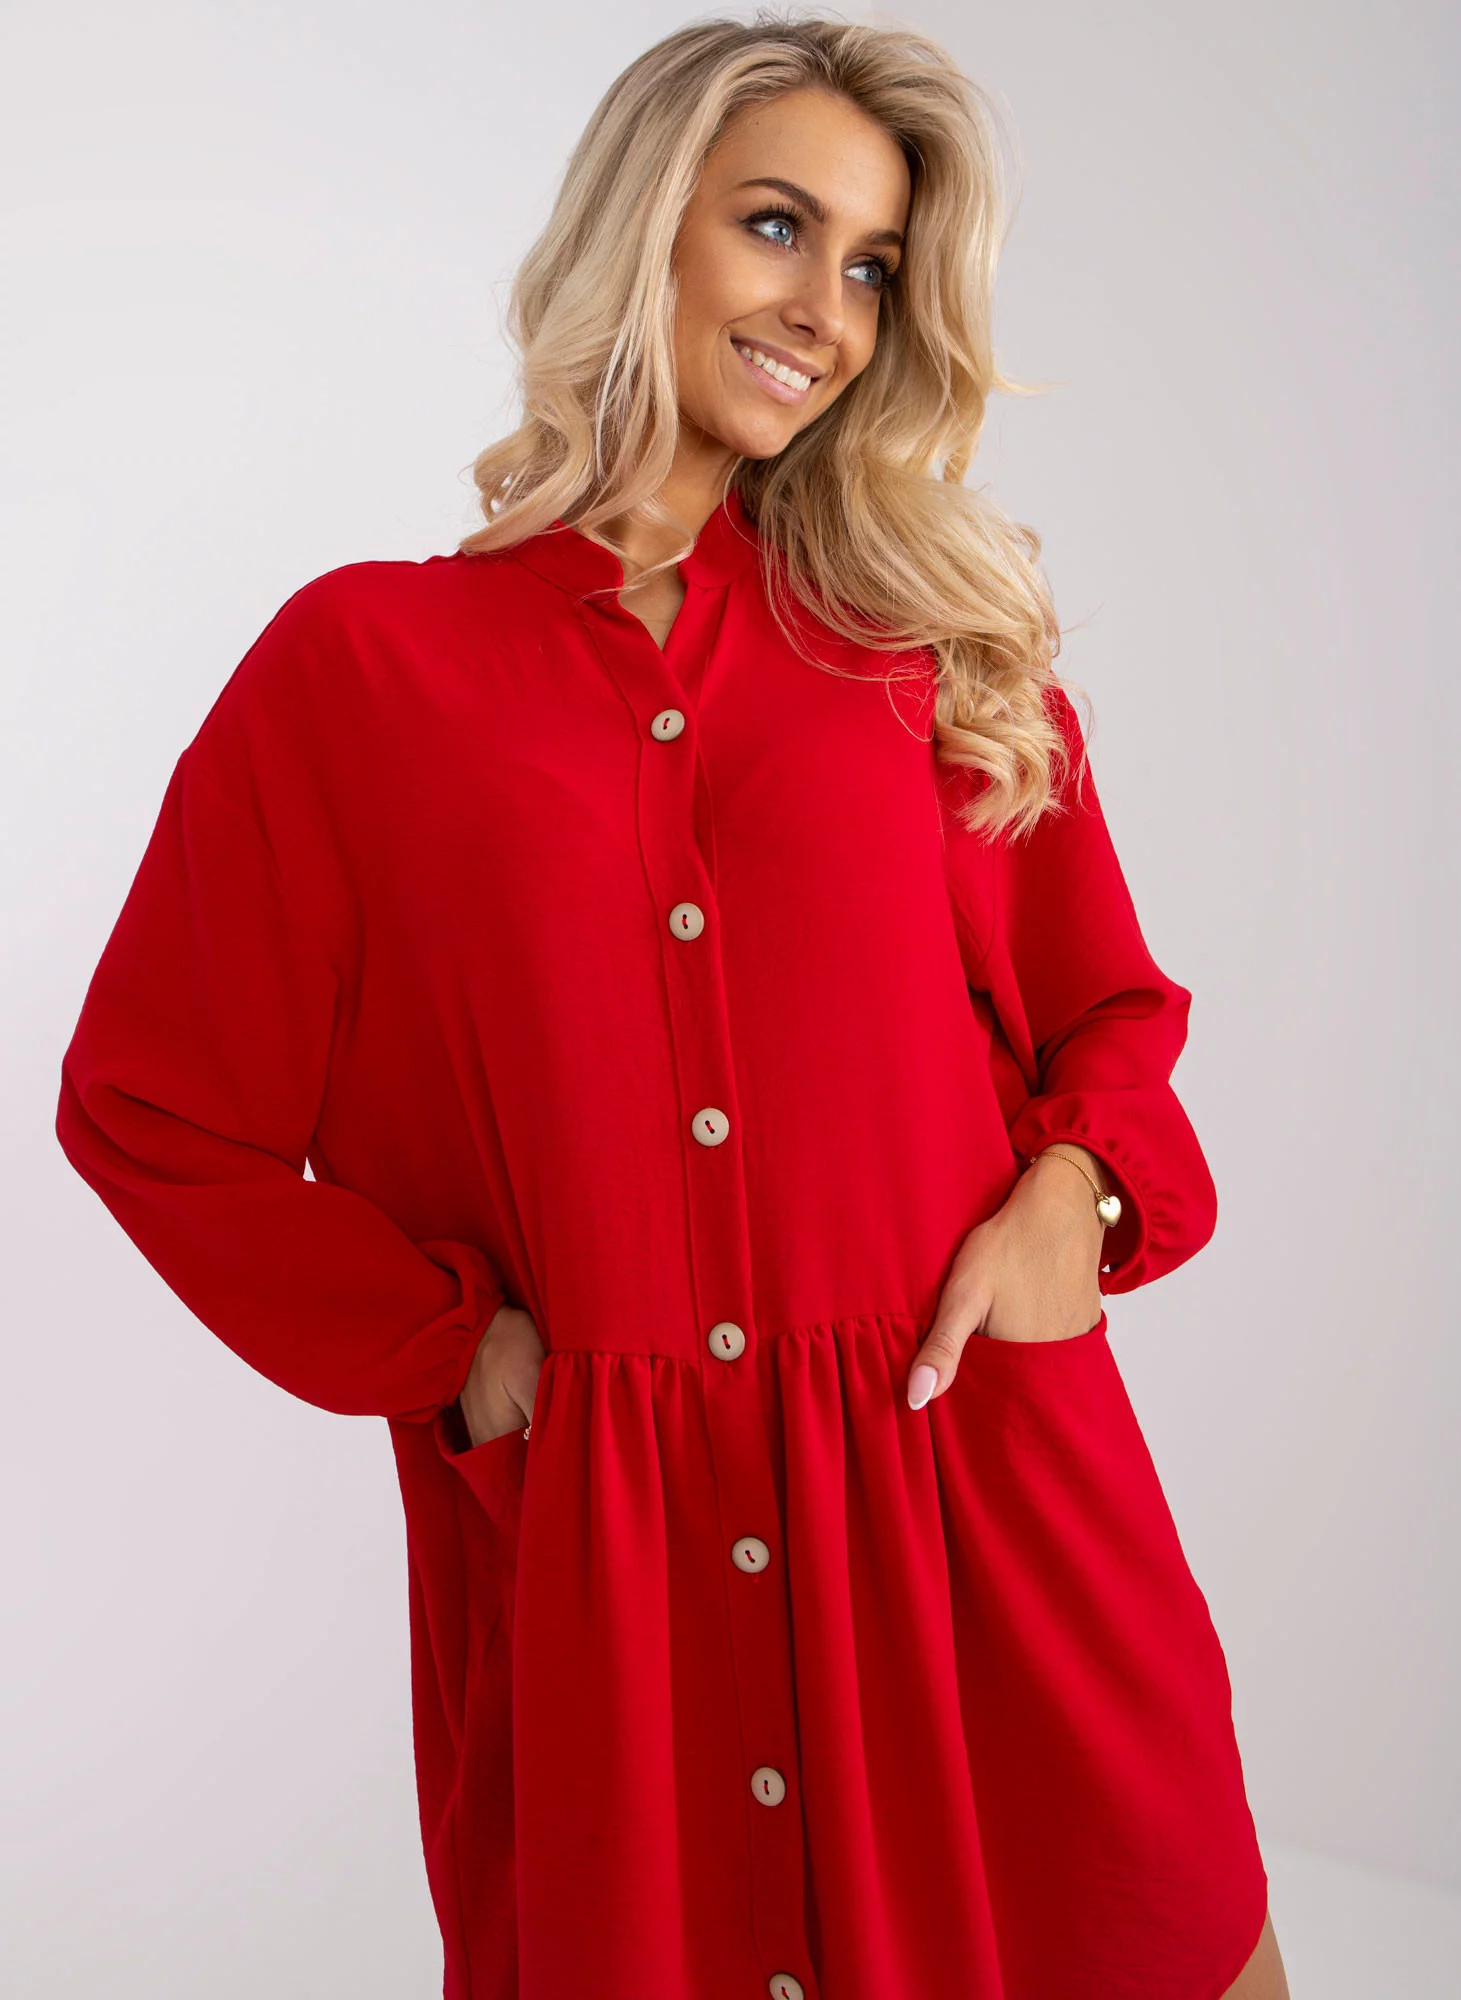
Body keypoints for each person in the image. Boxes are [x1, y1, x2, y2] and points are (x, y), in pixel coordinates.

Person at [54, 13, 1292, 1999]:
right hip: (610, 1588)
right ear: (646, 222)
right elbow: (151, 1106)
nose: (826, 310)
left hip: (983, 1517)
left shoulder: (922, 649)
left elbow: (1110, 1017)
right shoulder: (362, 670)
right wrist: (452, 1349)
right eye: (779, 227)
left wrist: (1082, 1194)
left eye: (873, 268)